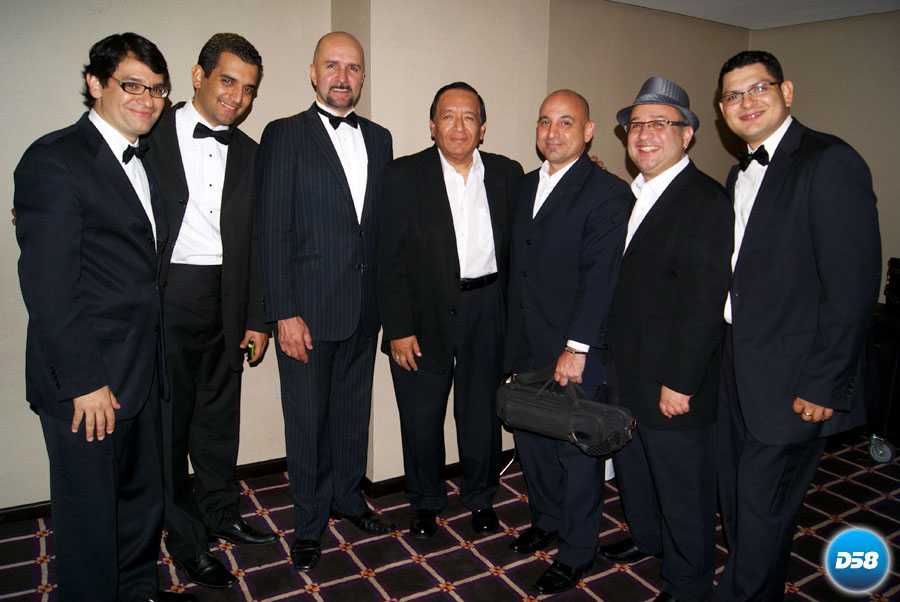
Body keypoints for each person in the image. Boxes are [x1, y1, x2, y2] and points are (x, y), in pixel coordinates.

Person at [14, 33, 192, 602]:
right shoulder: (54, 159)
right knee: (90, 517)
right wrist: (85, 381)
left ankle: (136, 590)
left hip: (142, 371)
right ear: (95, 83)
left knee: (139, 504)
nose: (147, 99)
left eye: (157, 89)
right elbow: (49, 288)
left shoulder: (145, 159)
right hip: (88, 382)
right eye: (132, 85)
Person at [714, 50, 881, 601]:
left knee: (763, 506)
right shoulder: (738, 173)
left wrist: (825, 382)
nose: (746, 102)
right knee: (740, 500)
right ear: (722, 110)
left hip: (794, 376)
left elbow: (852, 285)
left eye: (757, 88)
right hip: (737, 361)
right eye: (733, 95)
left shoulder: (829, 161)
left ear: (786, 91)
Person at [254, 31, 394, 573]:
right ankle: (309, 522)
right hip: (305, 314)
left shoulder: (379, 138)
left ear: (363, 77)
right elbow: (272, 230)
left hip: (363, 308)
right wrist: (282, 312)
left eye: (353, 67)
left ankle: (348, 498)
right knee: (307, 422)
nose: (342, 76)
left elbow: (376, 229)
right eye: (332, 65)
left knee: (353, 416)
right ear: (313, 73)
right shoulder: (284, 134)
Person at [144, 33, 277, 590]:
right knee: (170, 430)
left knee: (219, 422)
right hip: (168, 297)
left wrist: (258, 318)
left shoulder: (251, 152)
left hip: (228, 297)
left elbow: (261, 242)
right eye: (228, 81)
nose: (237, 98)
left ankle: (222, 514)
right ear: (197, 76)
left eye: (248, 89)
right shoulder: (147, 134)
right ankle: (187, 541)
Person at [598, 77, 733, 602]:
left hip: (672, 381)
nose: (644, 135)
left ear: (688, 134)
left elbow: (704, 303)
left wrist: (680, 381)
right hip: (628, 371)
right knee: (637, 472)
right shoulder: (634, 195)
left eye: (660, 124)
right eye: (636, 125)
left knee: (683, 490)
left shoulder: (704, 200)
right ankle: (648, 538)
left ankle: (688, 582)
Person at [377, 82, 523, 539]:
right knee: (420, 417)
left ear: (482, 127)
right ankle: (425, 501)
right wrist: (398, 328)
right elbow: (388, 260)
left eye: (469, 117)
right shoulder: (403, 175)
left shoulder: (508, 174)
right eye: (448, 116)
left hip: (488, 307)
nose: (459, 126)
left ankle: (480, 497)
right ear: (432, 125)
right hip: (421, 314)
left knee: (481, 415)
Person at [503, 90, 632, 595]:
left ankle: (577, 551)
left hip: (578, 350)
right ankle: (547, 519)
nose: (552, 132)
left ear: (588, 131)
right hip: (525, 342)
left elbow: (601, 278)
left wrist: (577, 348)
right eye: (544, 122)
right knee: (532, 438)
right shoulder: (523, 186)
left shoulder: (608, 193)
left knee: (578, 452)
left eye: (565, 122)